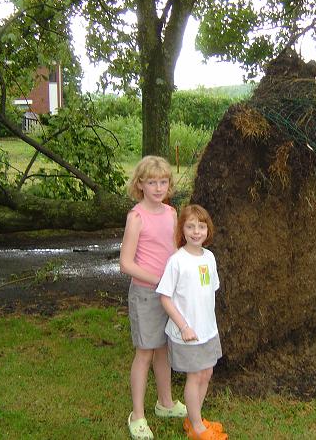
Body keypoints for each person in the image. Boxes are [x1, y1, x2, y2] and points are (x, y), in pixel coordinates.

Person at [120, 156, 187, 440]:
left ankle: (166, 403)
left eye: (163, 182)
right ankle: (137, 415)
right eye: (151, 182)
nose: (158, 188)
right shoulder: (136, 217)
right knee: (145, 352)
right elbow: (126, 263)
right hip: (146, 294)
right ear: (140, 185)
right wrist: (158, 280)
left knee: (164, 350)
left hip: (168, 295)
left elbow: (174, 252)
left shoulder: (172, 214)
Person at [156, 205, 228, 440]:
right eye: (190, 226)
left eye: (201, 226)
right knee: (195, 376)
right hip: (186, 332)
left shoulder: (209, 257)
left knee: (206, 372)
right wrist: (184, 326)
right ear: (182, 230)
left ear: (208, 229)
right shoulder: (177, 261)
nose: (196, 231)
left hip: (207, 330)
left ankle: (194, 418)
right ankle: (197, 428)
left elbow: (208, 290)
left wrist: (207, 324)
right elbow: (165, 297)